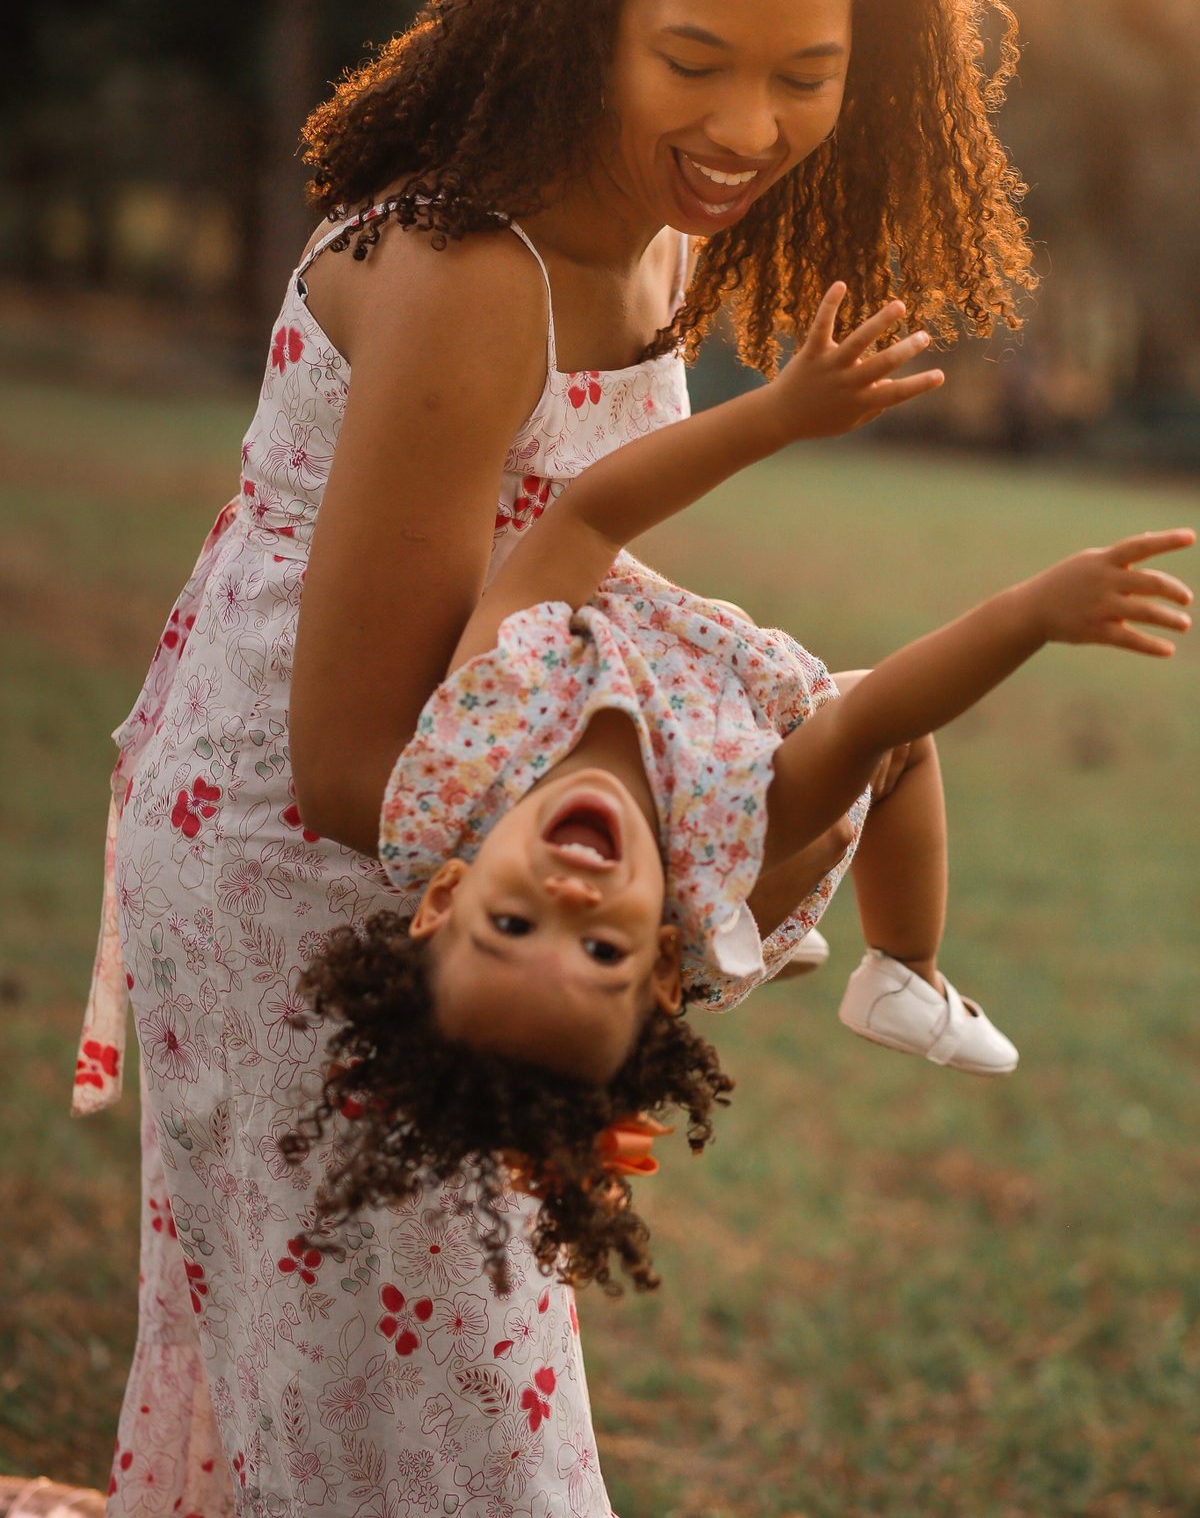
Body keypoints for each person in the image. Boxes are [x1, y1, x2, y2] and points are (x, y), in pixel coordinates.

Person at [75, 0, 1042, 1518]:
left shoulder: (666, 232)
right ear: (593, 15)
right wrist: (626, 905)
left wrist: (641, 898)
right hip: (314, 867)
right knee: (422, 1424)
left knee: (422, 1405)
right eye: (696, 60)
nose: (747, 127)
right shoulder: (474, 272)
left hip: (482, 838)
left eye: (806, 76)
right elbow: (353, 769)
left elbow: (553, 574)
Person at [294, 285, 1192, 1295]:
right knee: (901, 754)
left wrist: (780, 413)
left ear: (447, 896)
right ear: (657, 966)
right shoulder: (733, 831)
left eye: (511, 925)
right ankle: (903, 970)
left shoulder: (479, 737)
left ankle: (776, 950)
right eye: (600, 951)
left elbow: (589, 515)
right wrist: (1029, 615)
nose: (569, 898)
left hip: (667, 703)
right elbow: (871, 720)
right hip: (740, 783)